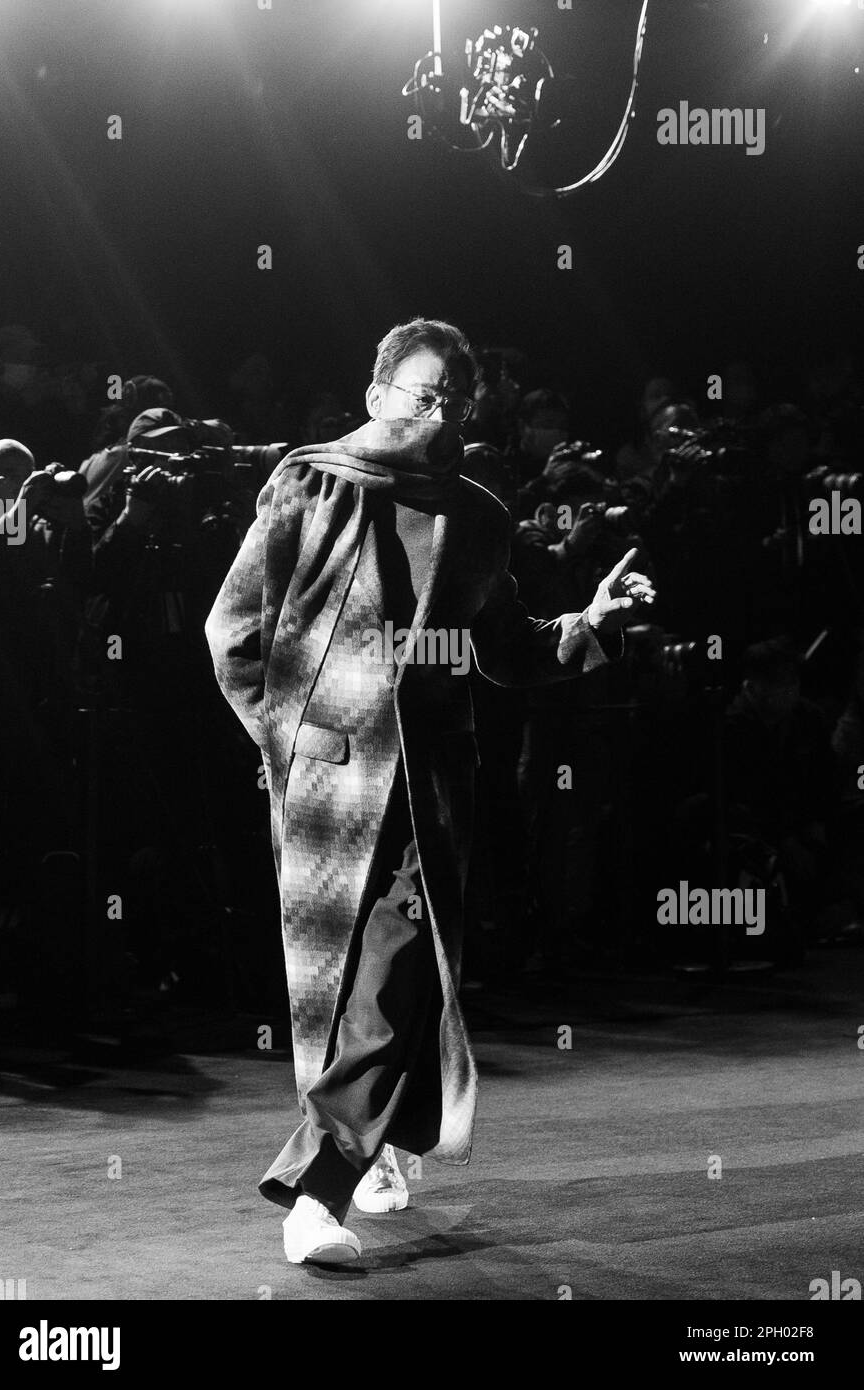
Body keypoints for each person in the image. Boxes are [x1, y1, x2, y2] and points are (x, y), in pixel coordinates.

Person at [204, 318, 655, 1266]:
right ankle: (371, 1150)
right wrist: (283, 743)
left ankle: (315, 1191)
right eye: (423, 392)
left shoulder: (479, 517)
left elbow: (509, 650)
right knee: (335, 995)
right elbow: (234, 631)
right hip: (324, 783)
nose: (441, 411)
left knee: (402, 978)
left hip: (429, 788)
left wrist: (590, 623)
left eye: (456, 397)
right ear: (376, 396)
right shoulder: (310, 482)